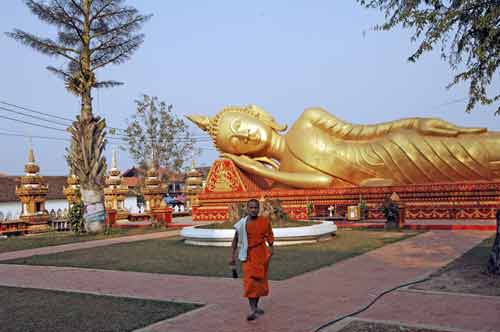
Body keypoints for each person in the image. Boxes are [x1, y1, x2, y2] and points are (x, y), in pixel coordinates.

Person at [187, 105, 500, 188]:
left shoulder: (307, 120)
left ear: (257, 115)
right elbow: (324, 182)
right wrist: (256, 170)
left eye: (242, 126)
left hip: (398, 146)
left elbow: (363, 131)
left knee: (477, 149)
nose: (246, 136)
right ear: (243, 154)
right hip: (386, 177)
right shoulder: (290, 171)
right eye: (237, 142)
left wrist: (415, 123)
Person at [229, 199, 274, 321]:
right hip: (248, 256)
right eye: (251, 208)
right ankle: (252, 309)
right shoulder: (242, 224)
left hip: (261, 255)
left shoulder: (264, 222)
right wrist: (231, 256)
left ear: (259, 209)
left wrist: (271, 248)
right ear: (247, 209)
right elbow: (235, 240)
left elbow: (270, 236)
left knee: (259, 282)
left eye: (255, 208)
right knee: (250, 282)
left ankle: (256, 306)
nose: (253, 210)